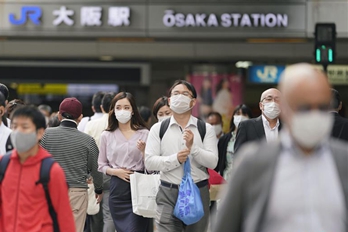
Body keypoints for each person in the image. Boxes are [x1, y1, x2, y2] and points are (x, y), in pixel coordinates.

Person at [213, 63, 348, 232]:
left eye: (322, 107)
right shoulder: (253, 163)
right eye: (304, 107)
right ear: (285, 108)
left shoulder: (343, 162)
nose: (314, 114)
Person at [145, 80, 218, 232]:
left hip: (198, 191)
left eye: (185, 94)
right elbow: (149, 162)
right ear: (170, 100)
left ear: (193, 102)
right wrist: (175, 159)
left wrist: (193, 149)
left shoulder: (205, 129)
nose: (180, 97)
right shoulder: (158, 129)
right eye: (175, 94)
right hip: (168, 192)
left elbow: (213, 162)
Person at [0, 105, 75, 231]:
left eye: (24, 127)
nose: (18, 131)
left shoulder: (51, 170)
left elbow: (64, 216)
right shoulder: (4, 164)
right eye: (14, 127)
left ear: (40, 132)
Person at [40, 97, 103, 232]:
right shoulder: (88, 141)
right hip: (77, 192)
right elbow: (96, 168)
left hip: (50, 190)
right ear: (80, 117)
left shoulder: (46, 135)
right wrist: (98, 189)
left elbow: (37, 162)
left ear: (59, 115)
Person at [98, 92, 150, 232]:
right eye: (118, 107)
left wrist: (144, 151)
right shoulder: (106, 135)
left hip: (139, 185)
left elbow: (151, 166)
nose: (122, 111)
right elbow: (101, 165)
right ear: (113, 111)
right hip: (117, 188)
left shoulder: (144, 133)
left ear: (133, 111)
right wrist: (116, 172)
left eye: (126, 107)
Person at [84, 93, 116, 232]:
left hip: (94, 175)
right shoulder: (121, 126)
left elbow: (84, 152)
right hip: (114, 174)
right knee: (110, 215)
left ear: (102, 107)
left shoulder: (91, 125)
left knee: (96, 215)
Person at [234, 88, 282, 153]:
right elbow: (239, 154)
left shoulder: (288, 128)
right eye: (269, 99)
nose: (273, 103)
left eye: (277, 99)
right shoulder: (246, 126)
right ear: (261, 105)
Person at [215, 104, 252, 180]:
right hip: (227, 180)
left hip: (248, 180)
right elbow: (218, 164)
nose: (240, 117)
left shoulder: (254, 137)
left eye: (244, 114)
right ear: (233, 117)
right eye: (238, 114)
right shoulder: (224, 139)